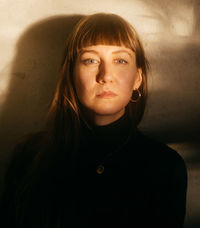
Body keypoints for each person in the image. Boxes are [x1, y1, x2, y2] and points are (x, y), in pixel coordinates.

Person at [0, 13, 187, 227]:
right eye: (91, 60)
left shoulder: (165, 167)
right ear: (71, 74)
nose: (106, 75)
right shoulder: (28, 156)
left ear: (138, 78)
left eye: (120, 60)